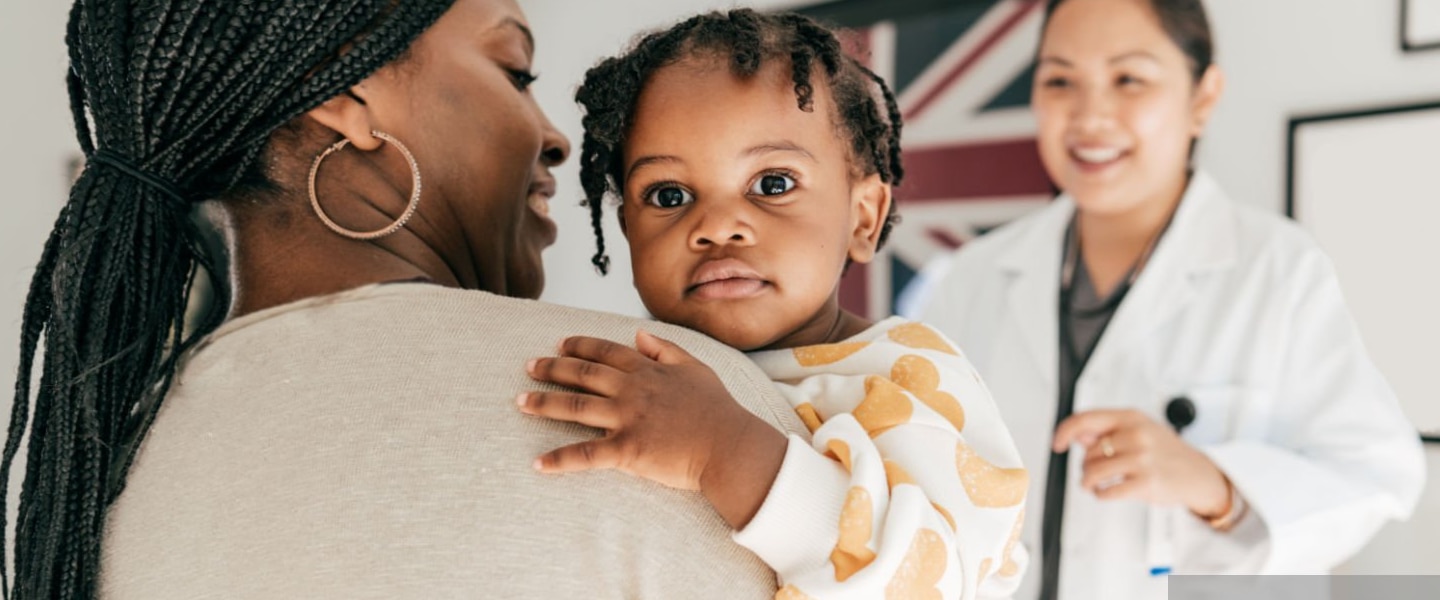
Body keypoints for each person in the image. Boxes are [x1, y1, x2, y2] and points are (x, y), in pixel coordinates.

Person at [2, 1, 815, 598]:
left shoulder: (98, 470)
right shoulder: (681, 413)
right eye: (514, 71)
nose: (556, 135)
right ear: (346, 94)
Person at [911, 0, 1427, 599]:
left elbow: (1379, 476)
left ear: (1203, 98)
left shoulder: (1278, 270)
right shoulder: (972, 276)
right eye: (1059, 80)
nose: (1090, 115)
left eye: (1129, 79)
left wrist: (1217, 486)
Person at [519, 10, 1028, 599]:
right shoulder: (646, 378)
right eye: (669, 194)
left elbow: (928, 579)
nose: (717, 225)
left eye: (773, 184)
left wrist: (725, 450)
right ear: (629, 229)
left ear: (863, 217)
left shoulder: (910, 378)